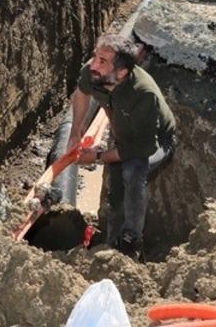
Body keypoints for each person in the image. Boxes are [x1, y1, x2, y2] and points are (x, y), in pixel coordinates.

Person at [66, 34, 176, 258]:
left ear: (122, 73)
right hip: (123, 131)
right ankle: (110, 240)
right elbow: (81, 94)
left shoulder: (143, 95)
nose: (94, 65)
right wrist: (76, 131)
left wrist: (97, 157)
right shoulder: (94, 71)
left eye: (103, 62)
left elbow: (139, 150)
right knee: (115, 187)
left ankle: (130, 242)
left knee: (132, 171)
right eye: (96, 57)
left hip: (154, 141)